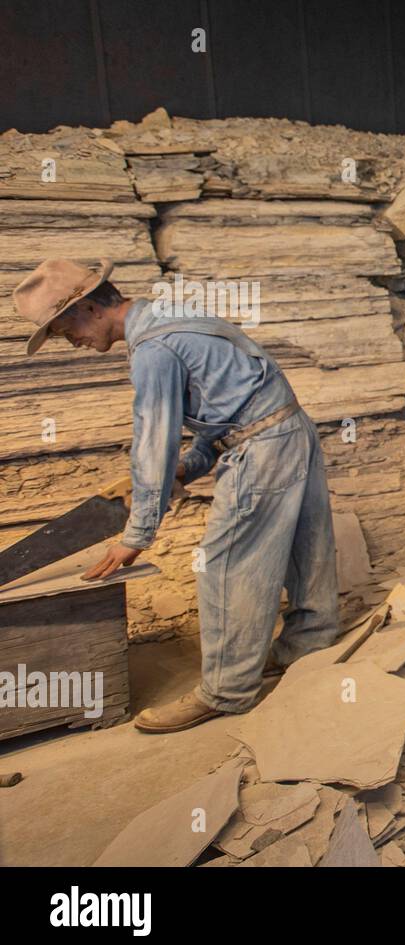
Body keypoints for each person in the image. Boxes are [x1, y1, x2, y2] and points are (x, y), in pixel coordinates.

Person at [14, 258, 338, 733]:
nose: (74, 342)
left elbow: (154, 439)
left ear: (86, 307)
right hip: (288, 430)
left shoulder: (153, 348)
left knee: (224, 564)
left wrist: (138, 532)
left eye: (66, 330)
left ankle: (226, 692)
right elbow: (231, 407)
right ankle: (309, 645)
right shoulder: (174, 316)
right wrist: (190, 466)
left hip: (265, 450)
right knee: (305, 546)